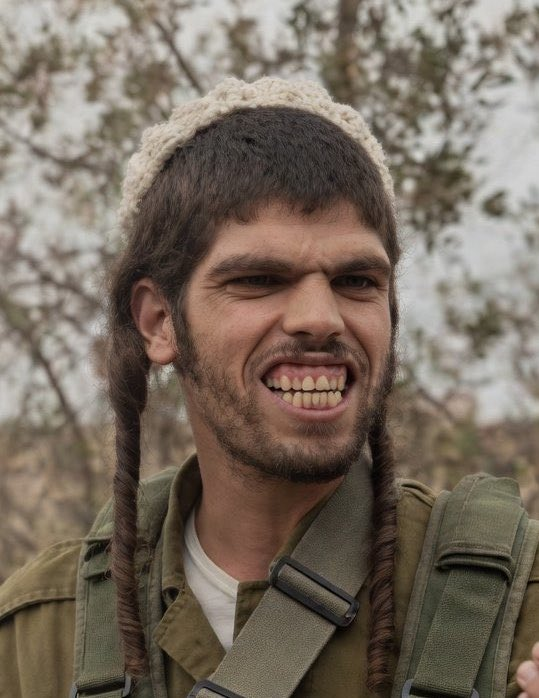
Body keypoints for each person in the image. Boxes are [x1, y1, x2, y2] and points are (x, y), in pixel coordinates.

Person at [0, 77, 537, 698]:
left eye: (357, 281)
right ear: (160, 321)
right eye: (258, 279)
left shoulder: (514, 610)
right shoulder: (40, 638)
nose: (321, 319)